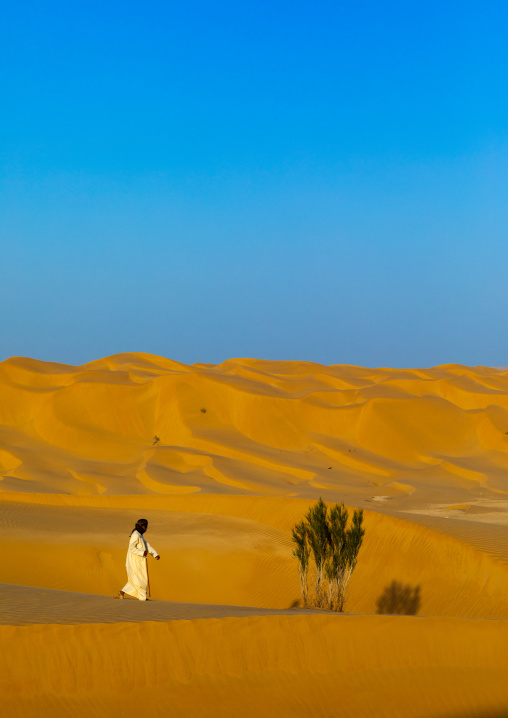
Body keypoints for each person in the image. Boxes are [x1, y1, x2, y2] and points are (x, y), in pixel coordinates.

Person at [115, 519, 160, 601]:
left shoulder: (140, 535)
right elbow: (132, 548)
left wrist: (155, 554)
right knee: (138, 580)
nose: (146, 529)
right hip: (133, 562)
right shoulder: (135, 535)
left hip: (139, 561)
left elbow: (146, 545)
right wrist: (142, 552)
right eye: (145, 526)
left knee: (137, 580)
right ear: (141, 526)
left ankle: (121, 592)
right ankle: (142, 598)